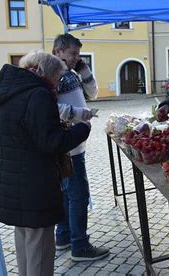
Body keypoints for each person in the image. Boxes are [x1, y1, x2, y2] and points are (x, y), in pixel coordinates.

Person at [0, 51, 91, 276]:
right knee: (41, 249)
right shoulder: (38, 94)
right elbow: (52, 142)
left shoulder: (10, 91)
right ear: (43, 73)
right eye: (56, 77)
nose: (57, 83)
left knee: (25, 242)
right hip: (35, 184)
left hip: (14, 180)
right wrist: (81, 130)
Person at [52, 33, 109, 261]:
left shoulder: (72, 73)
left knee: (67, 194)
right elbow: (52, 108)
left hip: (74, 142)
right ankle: (80, 245)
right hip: (68, 145)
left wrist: (84, 68)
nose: (76, 58)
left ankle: (64, 236)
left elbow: (93, 92)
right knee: (78, 195)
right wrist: (80, 114)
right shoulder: (52, 74)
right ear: (58, 51)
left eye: (78, 54)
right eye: (72, 54)